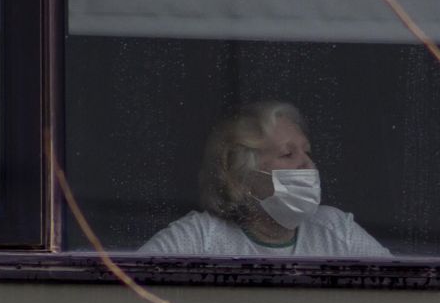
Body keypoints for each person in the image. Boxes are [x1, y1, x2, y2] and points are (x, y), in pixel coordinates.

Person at [138, 101, 390, 257]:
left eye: (308, 151)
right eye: (288, 153)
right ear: (242, 176)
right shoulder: (201, 238)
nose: (308, 164)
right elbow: (126, 292)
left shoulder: (336, 230)